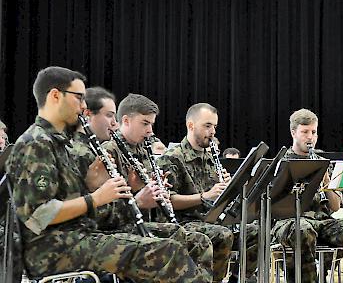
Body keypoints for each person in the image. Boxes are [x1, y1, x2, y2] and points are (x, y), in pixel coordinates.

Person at [6, 66, 211, 282]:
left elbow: (84, 210)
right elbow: (39, 216)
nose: (84, 106)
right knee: (166, 252)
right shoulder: (36, 143)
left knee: (173, 245)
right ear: (55, 96)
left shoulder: (61, 143)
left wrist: (96, 188)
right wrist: (95, 197)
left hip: (80, 238)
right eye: (78, 98)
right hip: (53, 250)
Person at [68, 86, 215, 278]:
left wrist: (145, 191)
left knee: (191, 239)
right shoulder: (95, 152)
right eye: (145, 124)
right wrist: (138, 200)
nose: (114, 123)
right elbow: (94, 214)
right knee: (171, 244)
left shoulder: (129, 150)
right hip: (100, 235)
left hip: (122, 225)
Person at [102, 93, 233, 282]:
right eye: (145, 123)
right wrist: (141, 198)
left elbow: (151, 194)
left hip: (144, 222)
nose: (150, 131)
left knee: (201, 240)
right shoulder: (110, 151)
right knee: (188, 237)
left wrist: (155, 188)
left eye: (151, 125)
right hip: (122, 227)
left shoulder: (141, 150)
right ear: (126, 120)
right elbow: (106, 207)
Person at [157, 103, 260, 283]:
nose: (212, 131)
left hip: (212, 220)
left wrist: (229, 187)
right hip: (184, 222)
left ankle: (238, 279)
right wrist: (205, 196)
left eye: (214, 126)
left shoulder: (211, 156)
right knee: (222, 235)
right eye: (207, 126)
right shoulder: (172, 157)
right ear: (191, 125)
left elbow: (217, 196)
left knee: (255, 232)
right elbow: (168, 201)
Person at [271, 108, 343, 283]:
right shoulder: (281, 162)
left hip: (321, 221)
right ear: (293, 132)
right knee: (303, 229)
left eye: (313, 132)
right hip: (289, 223)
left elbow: (335, 206)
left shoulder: (321, 161)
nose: (310, 137)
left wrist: (326, 183)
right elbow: (275, 206)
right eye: (305, 132)